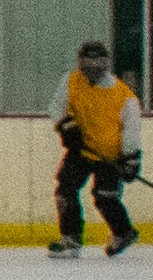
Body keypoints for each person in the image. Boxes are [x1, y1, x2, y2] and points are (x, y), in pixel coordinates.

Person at [54, 42, 144, 257]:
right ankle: (71, 239)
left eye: (98, 60)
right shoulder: (70, 81)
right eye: (87, 60)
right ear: (80, 62)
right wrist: (67, 127)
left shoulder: (124, 97)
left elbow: (131, 131)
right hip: (81, 151)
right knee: (65, 189)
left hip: (109, 156)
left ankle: (123, 232)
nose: (93, 66)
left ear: (106, 63)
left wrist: (130, 159)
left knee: (105, 197)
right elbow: (56, 107)